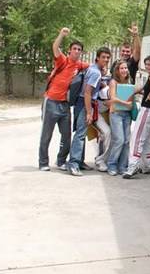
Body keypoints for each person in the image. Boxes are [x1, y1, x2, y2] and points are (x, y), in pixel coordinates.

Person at [38, 27, 89, 171]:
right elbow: (55, 47)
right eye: (75, 49)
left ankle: (61, 161)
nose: (77, 51)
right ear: (69, 50)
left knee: (66, 136)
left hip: (65, 105)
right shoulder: (62, 61)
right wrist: (61, 34)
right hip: (51, 101)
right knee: (46, 134)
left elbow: (93, 68)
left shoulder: (79, 65)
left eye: (79, 49)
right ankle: (43, 163)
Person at [68, 47, 112, 176]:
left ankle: (79, 162)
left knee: (81, 133)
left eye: (108, 57)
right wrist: (88, 112)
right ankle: (74, 164)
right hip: (84, 103)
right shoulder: (95, 72)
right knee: (80, 134)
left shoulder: (93, 69)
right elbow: (87, 93)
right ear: (97, 57)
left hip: (82, 103)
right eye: (103, 57)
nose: (106, 60)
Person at [123, 55, 150, 178]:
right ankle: (149, 165)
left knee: (137, 138)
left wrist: (149, 95)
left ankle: (133, 166)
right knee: (145, 140)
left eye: (149, 64)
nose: (147, 67)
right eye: (146, 64)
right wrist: (135, 91)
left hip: (146, 111)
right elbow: (146, 88)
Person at [106, 61, 136, 176]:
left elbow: (131, 95)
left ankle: (123, 166)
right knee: (119, 140)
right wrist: (126, 103)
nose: (124, 70)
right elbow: (113, 98)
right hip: (116, 114)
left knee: (127, 141)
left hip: (126, 114)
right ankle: (112, 165)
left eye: (126, 68)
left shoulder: (129, 81)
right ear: (117, 70)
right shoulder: (113, 82)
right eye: (122, 68)